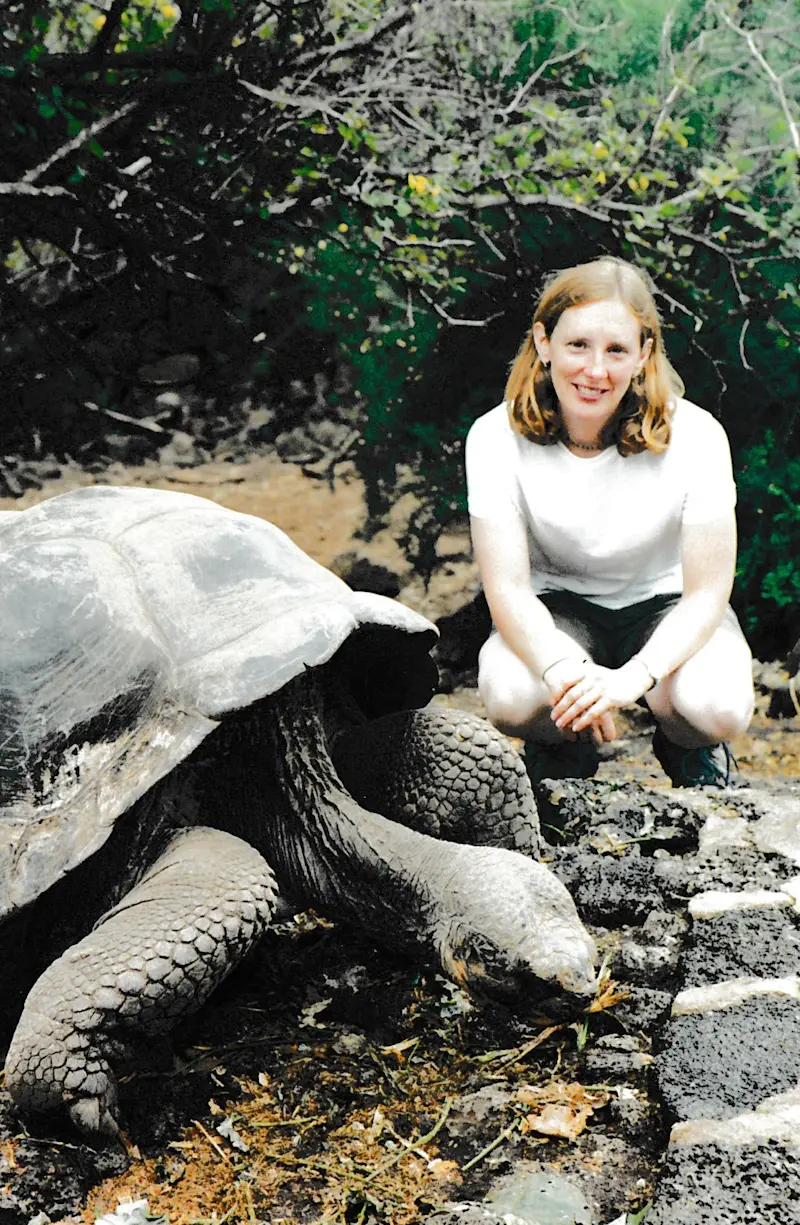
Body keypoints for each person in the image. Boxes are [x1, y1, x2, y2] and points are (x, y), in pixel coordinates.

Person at [465, 256, 754, 788]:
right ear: (543, 341)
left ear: (643, 354)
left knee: (717, 706)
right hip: (560, 614)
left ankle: (685, 742)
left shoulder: (698, 436)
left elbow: (708, 593)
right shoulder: (493, 437)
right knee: (509, 694)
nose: (596, 371)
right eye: (578, 345)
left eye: (617, 350)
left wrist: (633, 680)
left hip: (667, 608)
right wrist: (564, 675)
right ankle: (564, 746)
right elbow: (506, 588)